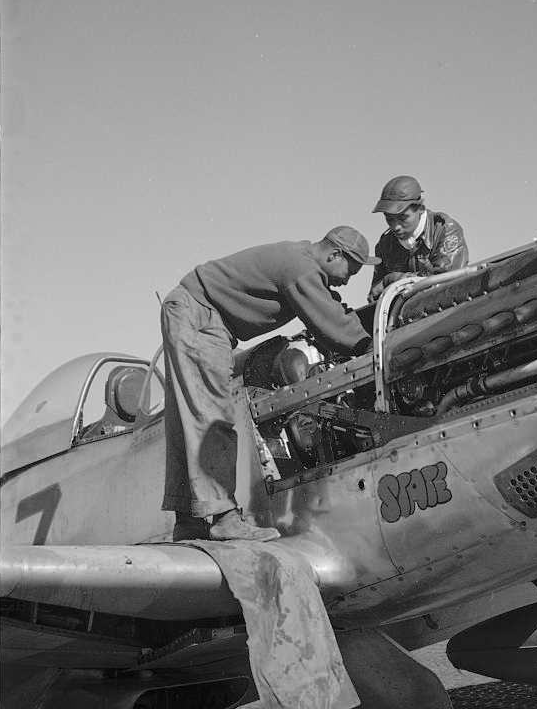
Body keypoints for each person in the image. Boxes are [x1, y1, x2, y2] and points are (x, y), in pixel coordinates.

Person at [161, 226, 380, 542]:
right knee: (214, 418)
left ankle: (188, 522)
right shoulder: (301, 268)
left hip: (196, 313)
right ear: (334, 254)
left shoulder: (301, 262)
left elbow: (332, 306)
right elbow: (331, 321)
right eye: (350, 271)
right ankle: (224, 519)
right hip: (201, 317)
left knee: (192, 419)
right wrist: (371, 348)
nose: (347, 280)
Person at [367, 175, 469, 302]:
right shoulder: (384, 245)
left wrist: (392, 280)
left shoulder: (445, 230)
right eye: (389, 219)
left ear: (420, 209)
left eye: (403, 218)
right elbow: (377, 294)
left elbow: (445, 280)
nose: (396, 226)